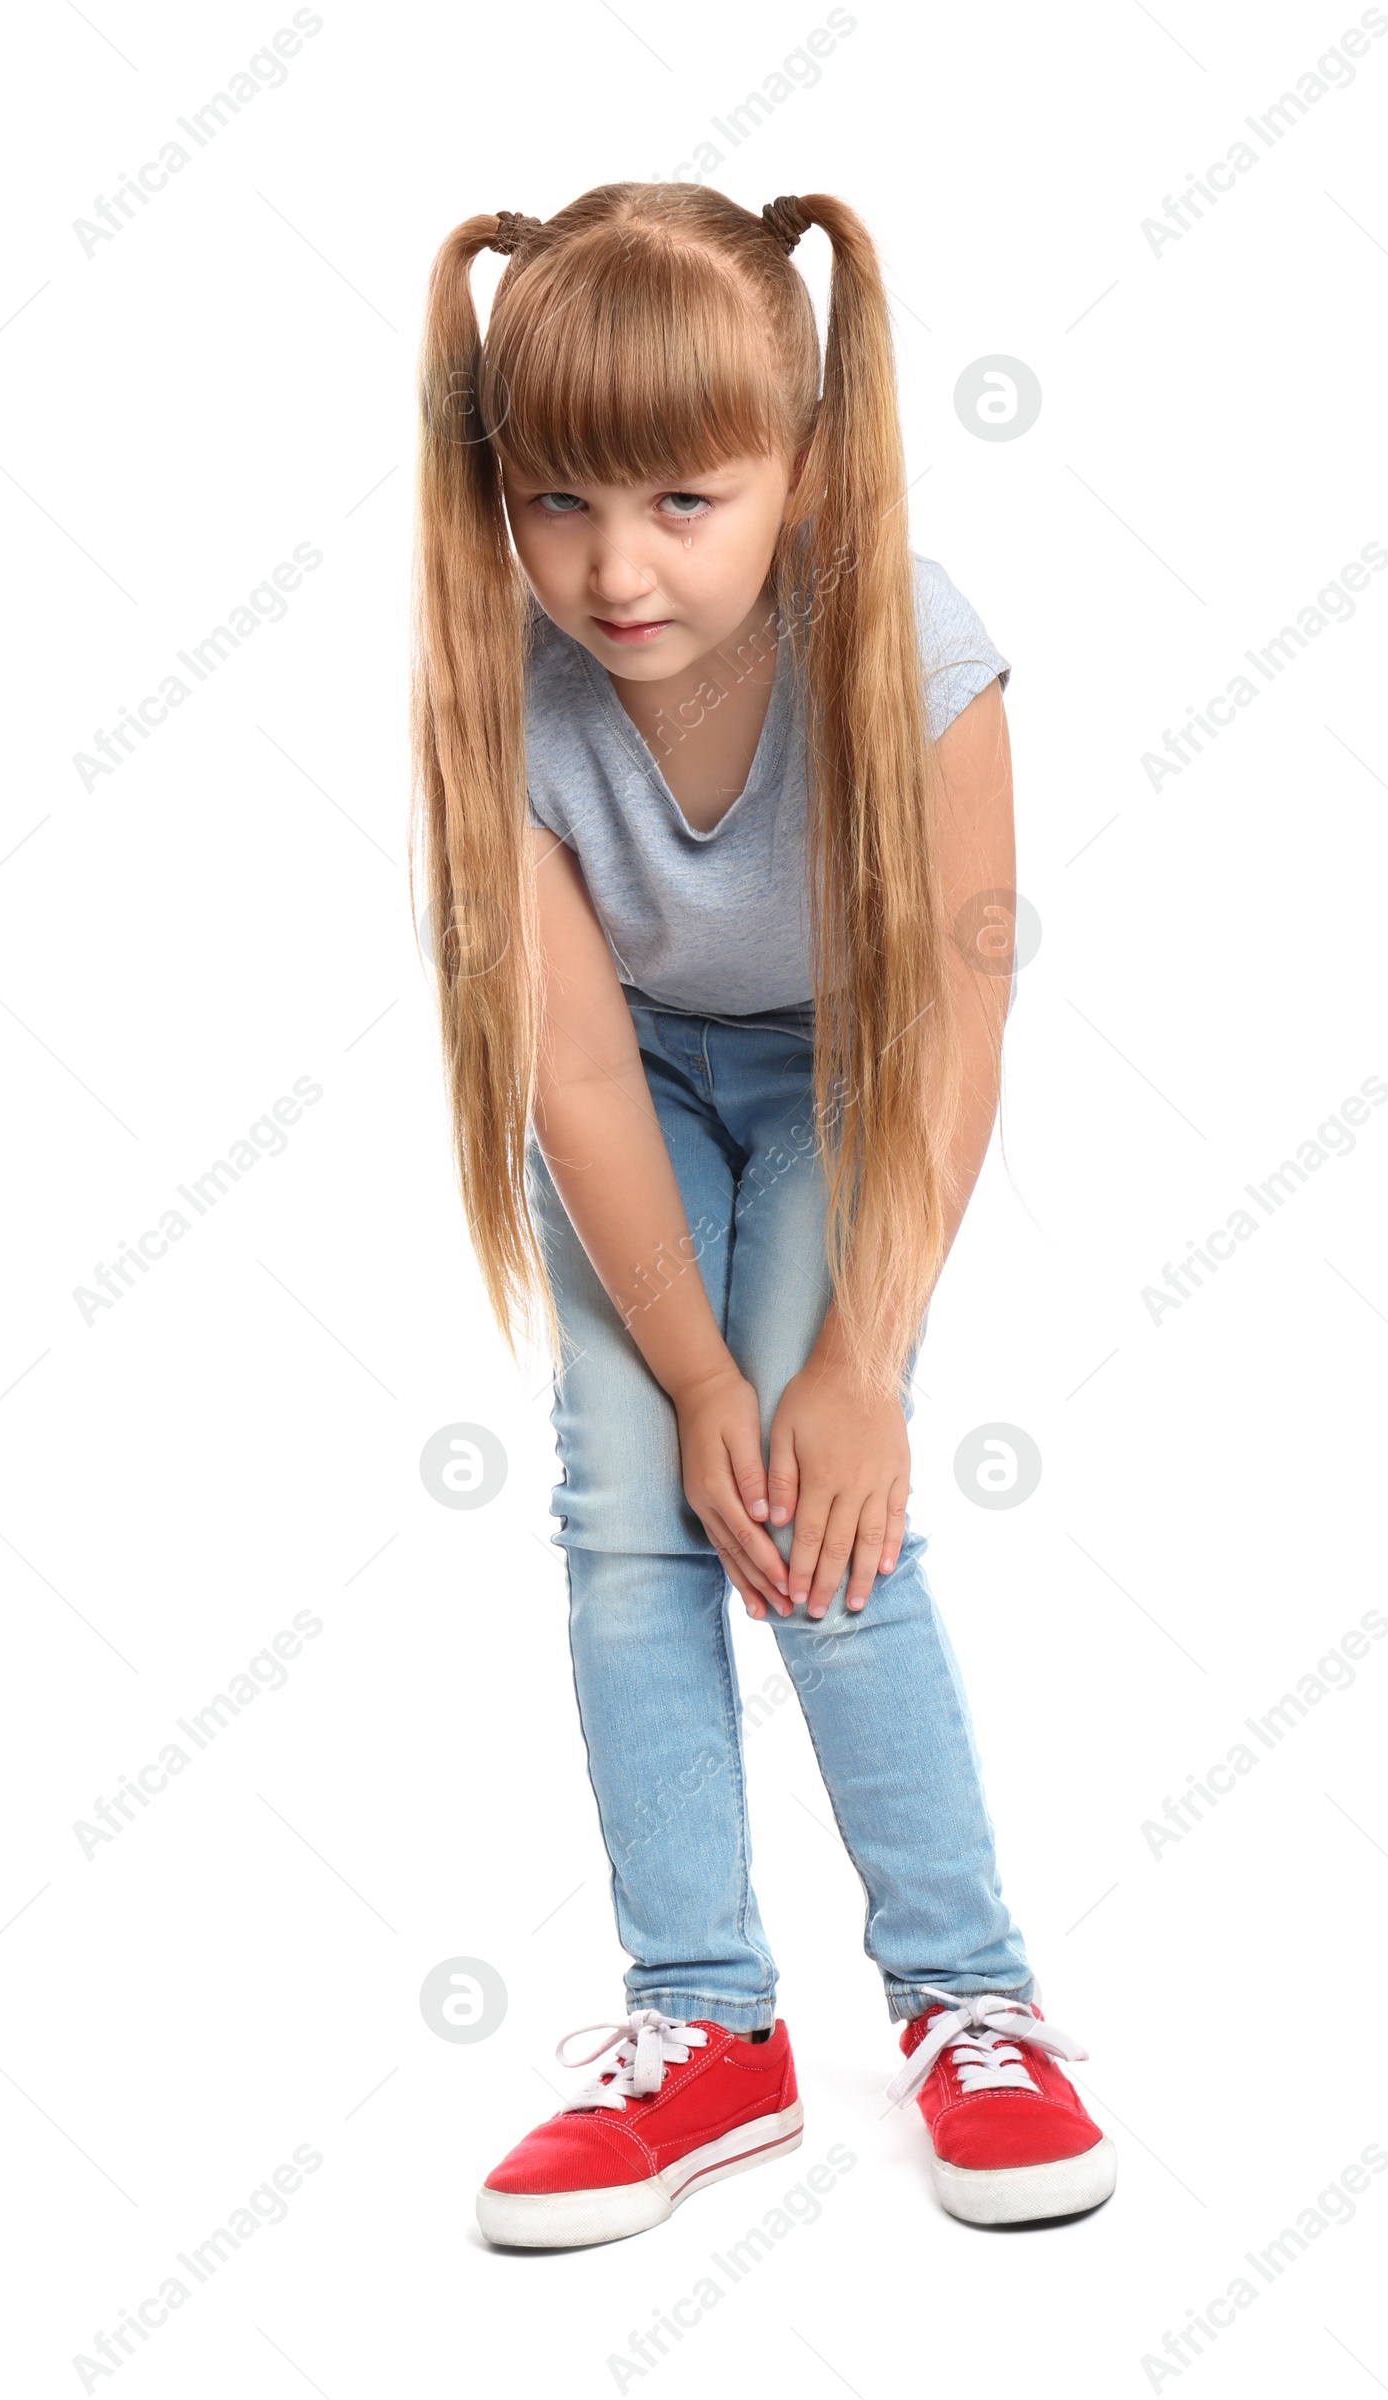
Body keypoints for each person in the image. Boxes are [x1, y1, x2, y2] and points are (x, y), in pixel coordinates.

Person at [409, 181, 1116, 2249]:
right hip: (640, 1096)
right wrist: (696, 1368)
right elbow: (570, 1073)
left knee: (818, 1518)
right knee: (631, 1508)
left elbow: (954, 1035)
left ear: (802, 476)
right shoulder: (506, 699)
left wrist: (847, 1360)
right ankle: (702, 2025)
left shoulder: (920, 648)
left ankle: (969, 1999)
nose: (613, 569)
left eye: (684, 502)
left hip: (850, 1083)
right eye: (553, 503)